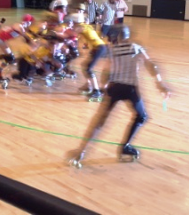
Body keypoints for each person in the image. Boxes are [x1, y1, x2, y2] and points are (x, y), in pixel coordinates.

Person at [69, 25, 170, 168]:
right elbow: (150, 65)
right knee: (141, 117)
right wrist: (160, 84)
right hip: (130, 89)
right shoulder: (135, 47)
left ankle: (81, 151)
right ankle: (125, 146)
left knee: (99, 122)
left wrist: (103, 87)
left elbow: (106, 72)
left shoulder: (112, 50)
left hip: (114, 88)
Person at [70, 13, 106, 101]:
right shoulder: (85, 25)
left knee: (89, 69)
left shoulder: (81, 27)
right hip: (97, 47)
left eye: (73, 22)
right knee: (84, 65)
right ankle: (88, 85)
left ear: (75, 21)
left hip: (99, 48)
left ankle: (96, 91)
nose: (72, 23)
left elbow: (72, 34)